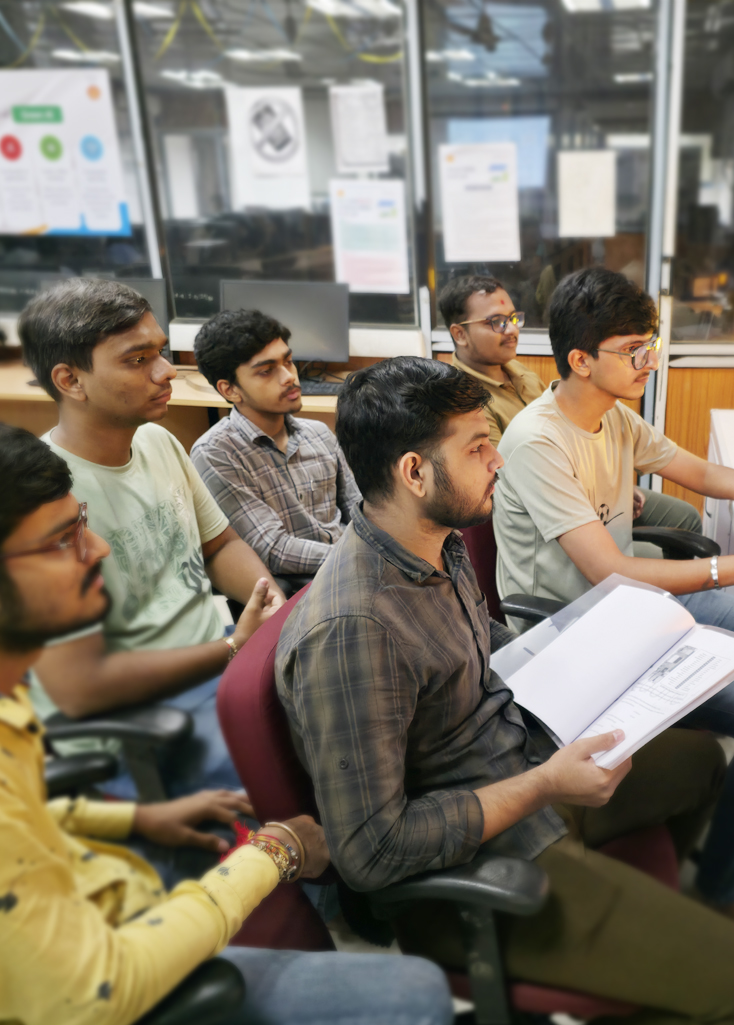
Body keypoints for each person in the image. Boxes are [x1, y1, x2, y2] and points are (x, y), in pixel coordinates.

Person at [276, 357, 734, 1025]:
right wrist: (544, 785)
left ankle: (643, 963)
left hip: (520, 757)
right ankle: (646, 969)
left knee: (699, 763)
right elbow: (372, 851)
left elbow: (481, 645)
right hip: (477, 865)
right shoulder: (354, 629)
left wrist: (602, 655)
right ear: (414, 472)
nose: (498, 461)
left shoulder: (434, 542)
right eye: (477, 448)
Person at [0, 423, 454, 1025]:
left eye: (80, 523)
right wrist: (275, 851)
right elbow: (96, 994)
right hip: (102, 980)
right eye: (62, 541)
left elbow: (29, 811)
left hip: (95, 900)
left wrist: (134, 820)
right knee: (413, 994)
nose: (97, 549)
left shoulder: (11, 706)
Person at [492, 267, 734, 920]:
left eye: (650, 346)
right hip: (577, 635)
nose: (649, 362)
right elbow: (609, 570)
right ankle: (727, 885)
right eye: (632, 351)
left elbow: (696, 470)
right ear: (581, 361)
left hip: (632, 611)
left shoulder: (613, 416)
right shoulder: (538, 441)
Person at [19, 278, 286, 798]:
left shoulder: (158, 440)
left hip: (220, 662)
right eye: (138, 360)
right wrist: (234, 647)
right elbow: (81, 687)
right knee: (304, 782)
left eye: (161, 352)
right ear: (70, 380)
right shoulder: (41, 498)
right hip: (140, 715)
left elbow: (220, 546)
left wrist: (269, 602)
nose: (166, 372)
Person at [439, 273, 702, 547]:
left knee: (685, 517)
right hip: (546, 513)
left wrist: (615, 487)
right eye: (496, 322)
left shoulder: (519, 372)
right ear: (460, 334)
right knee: (652, 553)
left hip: (583, 488)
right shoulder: (464, 403)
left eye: (513, 318)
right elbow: (506, 483)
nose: (511, 330)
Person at [190, 308, 361, 596]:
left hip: (353, 569)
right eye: (266, 371)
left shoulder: (318, 433)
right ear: (230, 390)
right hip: (301, 590)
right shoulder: (217, 453)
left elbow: (359, 507)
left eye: (288, 361)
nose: (289, 377)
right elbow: (273, 550)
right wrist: (359, 557)